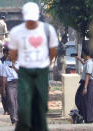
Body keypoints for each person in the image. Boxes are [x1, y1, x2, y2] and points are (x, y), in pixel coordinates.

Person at [8, 2, 58, 131]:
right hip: (25, 71)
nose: (30, 23)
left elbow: (53, 50)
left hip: (42, 71)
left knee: (40, 107)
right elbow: (12, 53)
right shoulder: (16, 32)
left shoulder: (48, 30)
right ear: (23, 16)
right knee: (24, 108)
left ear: (38, 15)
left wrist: (45, 62)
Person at [75, 48, 93, 123]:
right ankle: (84, 116)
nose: (82, 54)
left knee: (87, 102)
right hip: (84, 83)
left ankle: (89, 119)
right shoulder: (88, 62)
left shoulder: (90, 63)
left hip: (88, 83)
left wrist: (85, 88)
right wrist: (79, 59)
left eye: (82, 53)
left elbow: (88, 75)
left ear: (85, 54)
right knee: (80, 99)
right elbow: (84, 64)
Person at [2, 49, 18, 125]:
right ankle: (14, 119)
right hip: (10, 83)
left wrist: (14, 66)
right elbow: (4, 77)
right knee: (11, 101)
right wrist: (3, 88)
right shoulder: (5, 64)